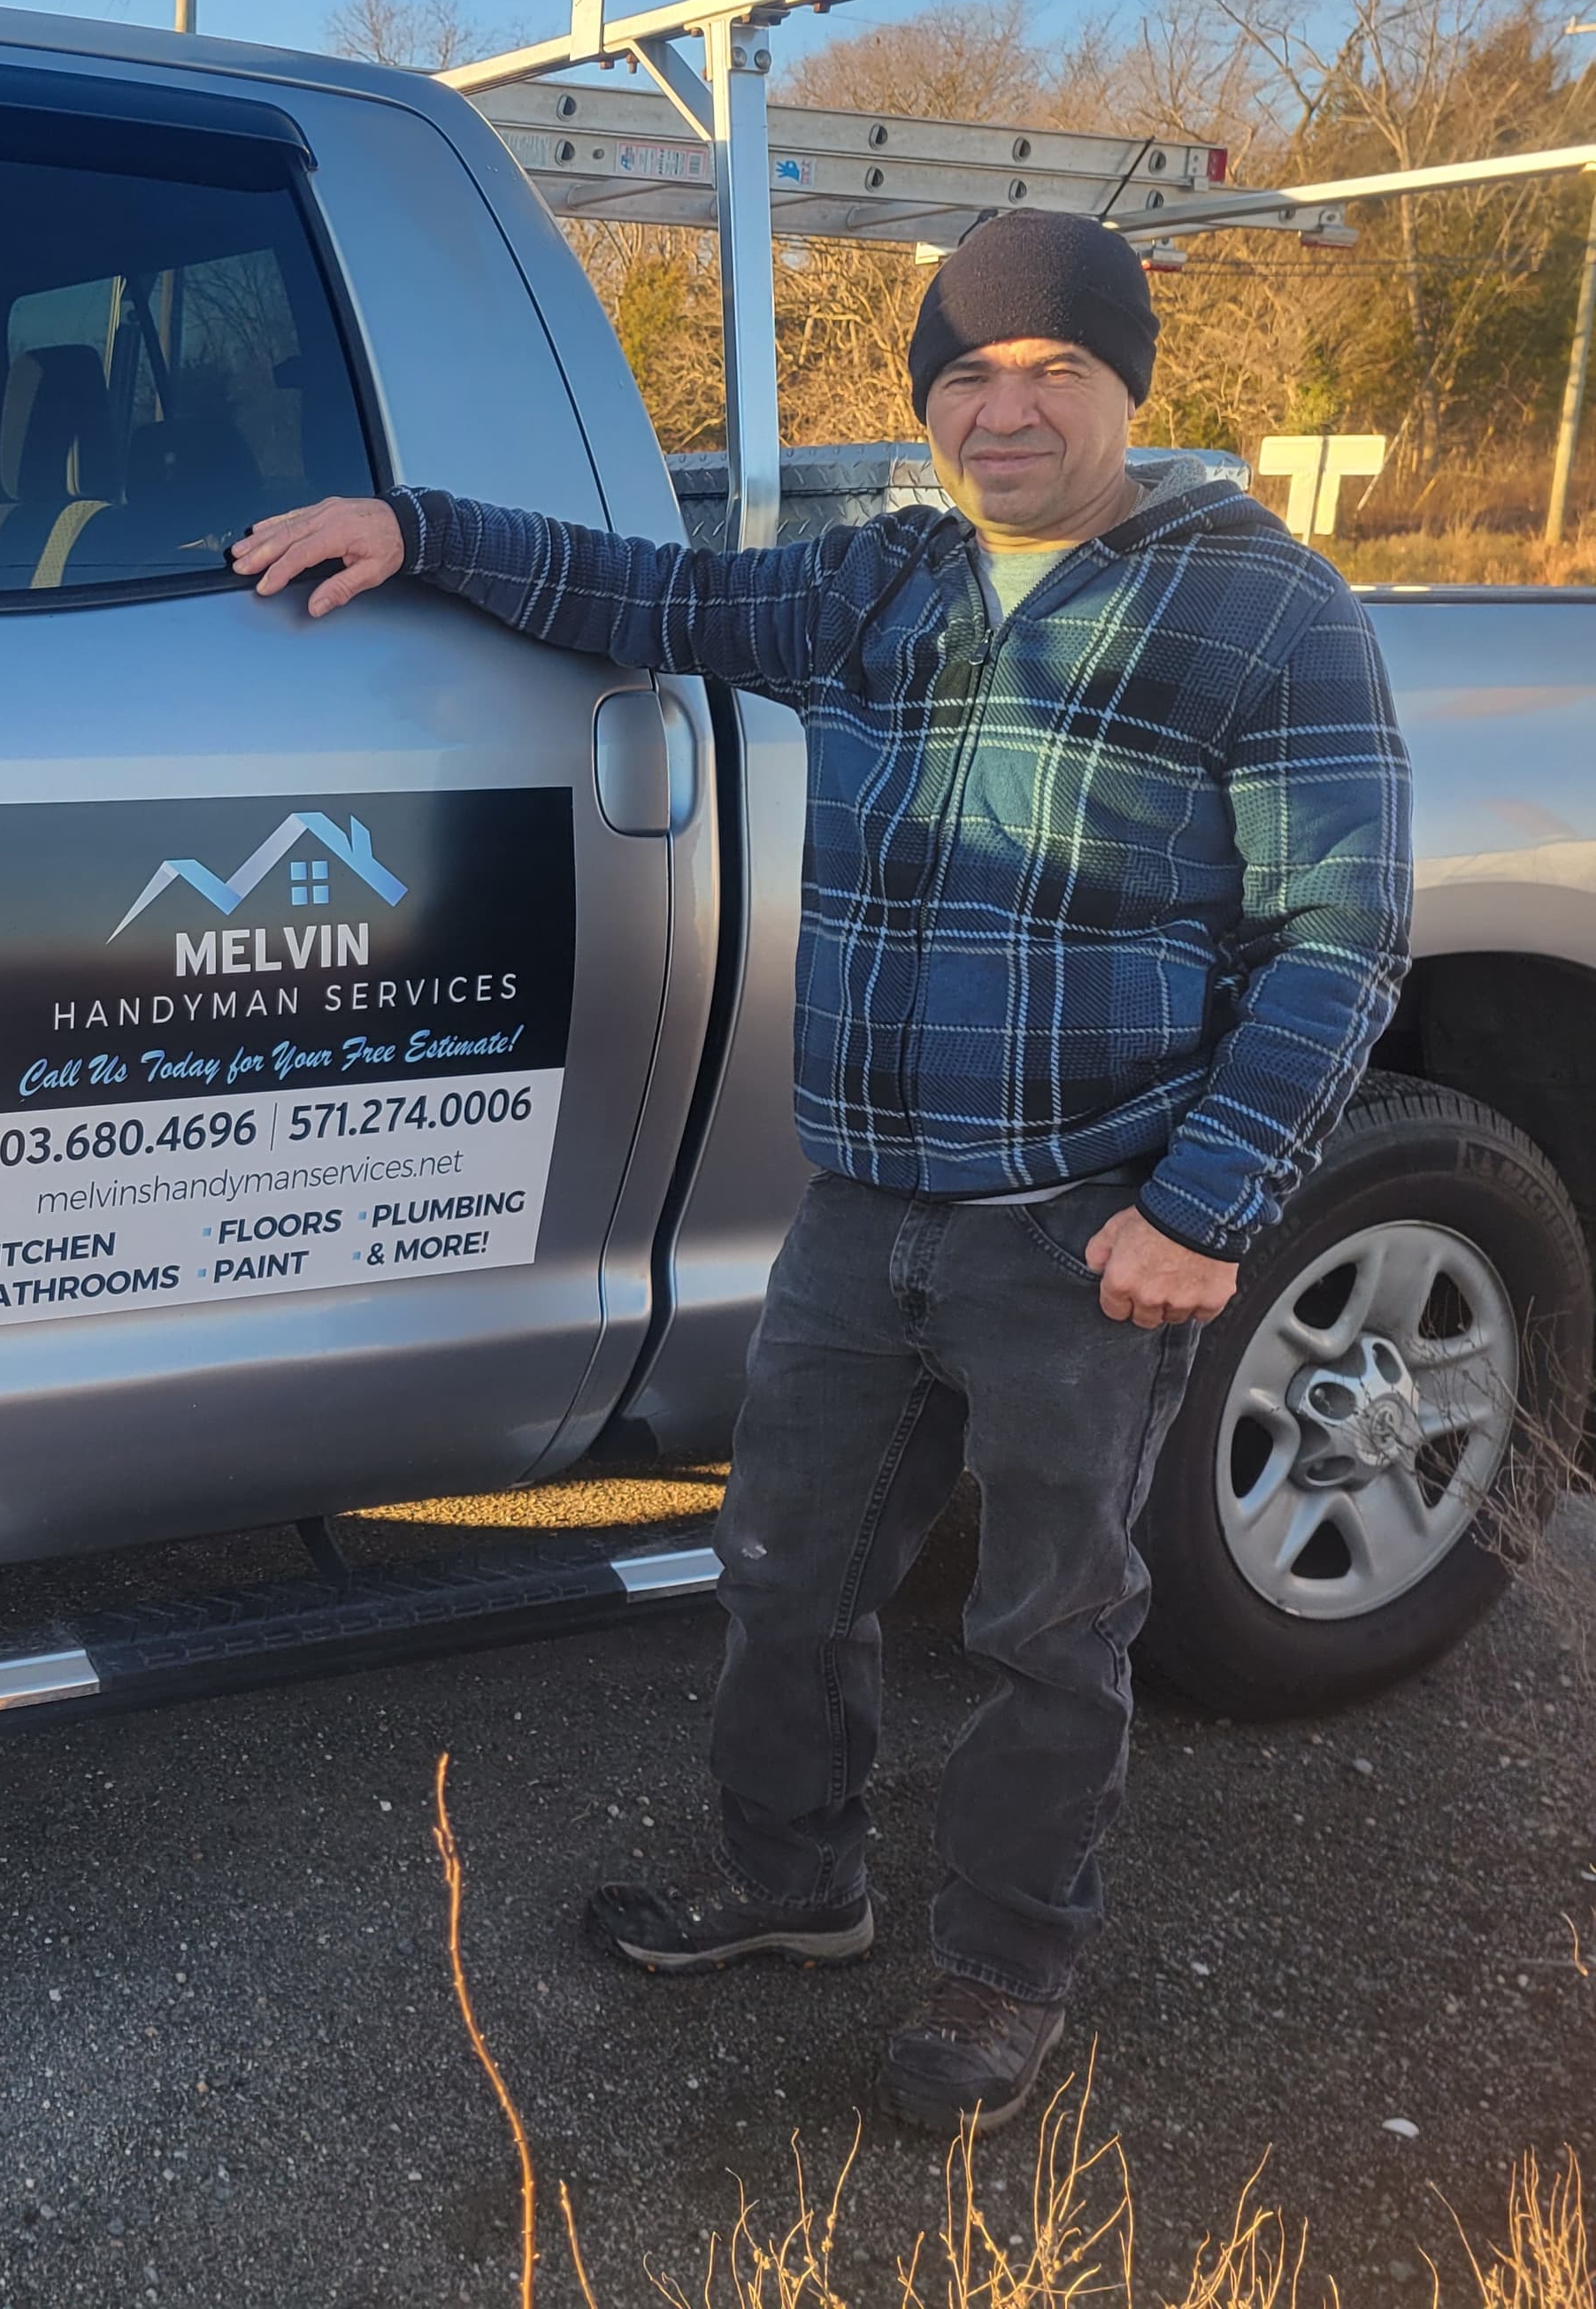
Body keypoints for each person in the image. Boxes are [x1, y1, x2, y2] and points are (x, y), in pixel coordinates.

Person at [230, 209, 1411, 2133]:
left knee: (1049, 1620)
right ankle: (797, 1888)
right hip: (864, 1208)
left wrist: (1207, 1207)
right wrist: (422, 529)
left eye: (1052, 370)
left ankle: (1007, 1967)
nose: (1001, 406)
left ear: (1131, 386)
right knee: (785, 1567)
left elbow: (1343, 933)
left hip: (1083, 1224)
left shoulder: (1261, 609)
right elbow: (654, 598)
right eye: (964, 371)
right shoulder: (889, 580)